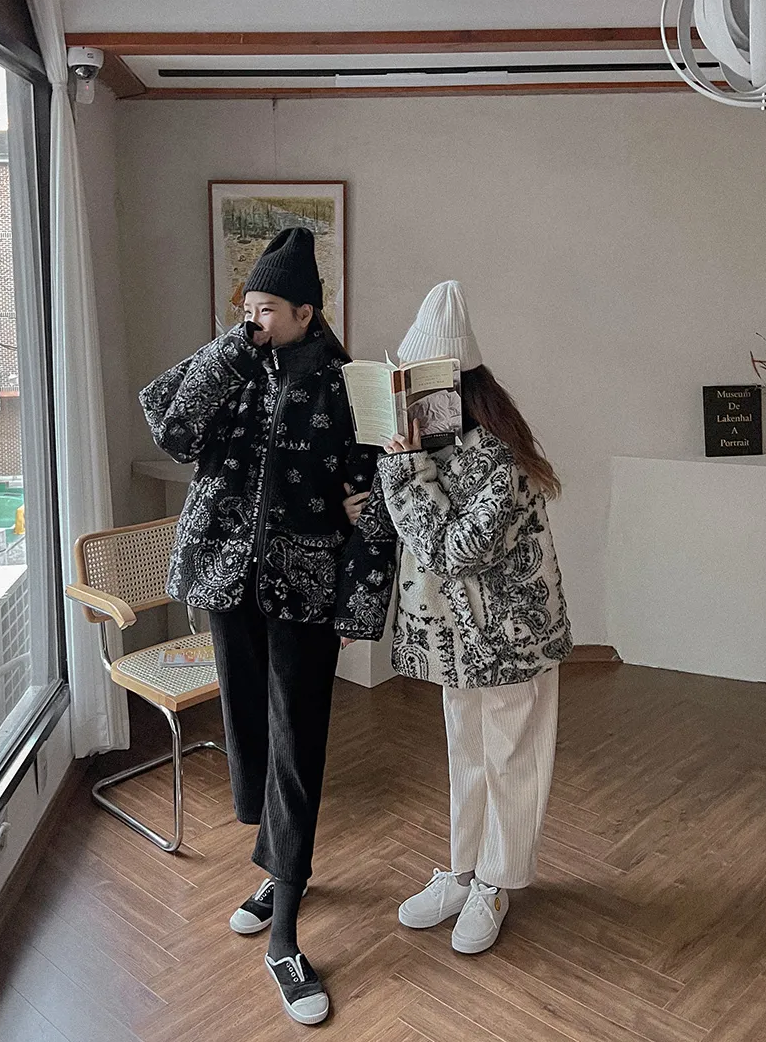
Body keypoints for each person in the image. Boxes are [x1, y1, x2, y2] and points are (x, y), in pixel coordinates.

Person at [140, 227, 396, 1025]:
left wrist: (357, 603)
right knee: (249, 736)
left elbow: (377, 501)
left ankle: (284, 929)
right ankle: (279, 866)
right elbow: (172, 431)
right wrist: (233, 350)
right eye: (247, 307)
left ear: (307, 312)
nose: (253, 320)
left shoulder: (348, 385)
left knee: (296, 746)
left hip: (304, 591)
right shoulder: (229, 366)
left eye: (268, 310)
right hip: (226, 582)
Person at [345, 280, 572, 955]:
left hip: (512, 640)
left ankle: (496, 881)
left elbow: (453, 551)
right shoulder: (431, 453)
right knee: (467, 755)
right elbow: (410, 534)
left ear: (457, 388)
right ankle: (464, 870)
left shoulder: (495, 457)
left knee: (510, 759)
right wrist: (391, 477)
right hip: (457, 643)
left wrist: (405, 470)